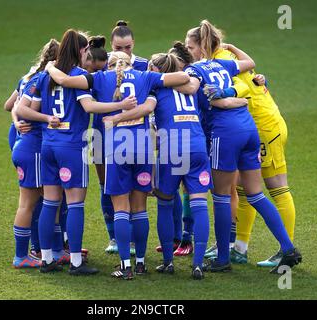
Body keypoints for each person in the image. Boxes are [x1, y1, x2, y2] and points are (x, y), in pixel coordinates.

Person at [45, 51, 190, 279]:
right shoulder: (145, 77)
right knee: (140, 208)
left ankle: (126, 267)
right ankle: (141, 263)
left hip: (117, 147)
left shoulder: (100, 78)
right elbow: (181, 78)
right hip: (143, 147)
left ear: (109, 65)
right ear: (131, 62)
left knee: (121, 208)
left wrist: (50, 66)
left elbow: (65, 81)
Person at [103, 52, 248, 279]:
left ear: (157, 70)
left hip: (171, 149)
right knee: (199, 203)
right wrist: (239, 99)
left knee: (165, 203)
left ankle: (168, 261)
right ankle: (197, 264)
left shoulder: (155, 89)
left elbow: (148, 114)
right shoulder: (191, 86)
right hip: (197, 146)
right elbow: (212, 105)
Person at [184, 21, 302, 273]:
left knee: (220, 196)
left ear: (201, 47)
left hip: (227, 134)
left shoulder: (195, 70)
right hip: (250, 130)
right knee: (254, 193)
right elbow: (249, 67)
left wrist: (217, 96)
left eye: (189, 46)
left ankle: (223, 258)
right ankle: (287, 247)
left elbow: (222, 91)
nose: (187, 50)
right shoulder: (223, 62)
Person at [16, 29, 136, 275]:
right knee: (75, 204)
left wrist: (46, 118)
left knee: (50, 202)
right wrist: (121, 106)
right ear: (82, 51)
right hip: (71, 146)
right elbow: (89, 106)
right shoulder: (79, 75)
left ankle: (47, 259)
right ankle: (76, 263)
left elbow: (22, 109)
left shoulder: (44, 77)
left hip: (48, 146)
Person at [94, 20, 150, 255]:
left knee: (141, 190)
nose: (123, 52)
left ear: (133, 44)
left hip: (136, 134)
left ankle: (144, 241)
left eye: (127, 47)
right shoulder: (100, 66)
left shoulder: (144, 66)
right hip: (100, 131)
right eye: (118, 47)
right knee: (107, 185)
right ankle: (114, 237)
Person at [4, 39, 59, 267]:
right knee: (32, 203)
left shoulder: (29, 77)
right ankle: (25, 255)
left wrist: (17, 122)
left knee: (38, 201)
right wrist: (46, 118)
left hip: (20, 142)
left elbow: (11, 106)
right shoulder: (44, 80)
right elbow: (18, 108)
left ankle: (41, 250)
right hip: (33, 147)